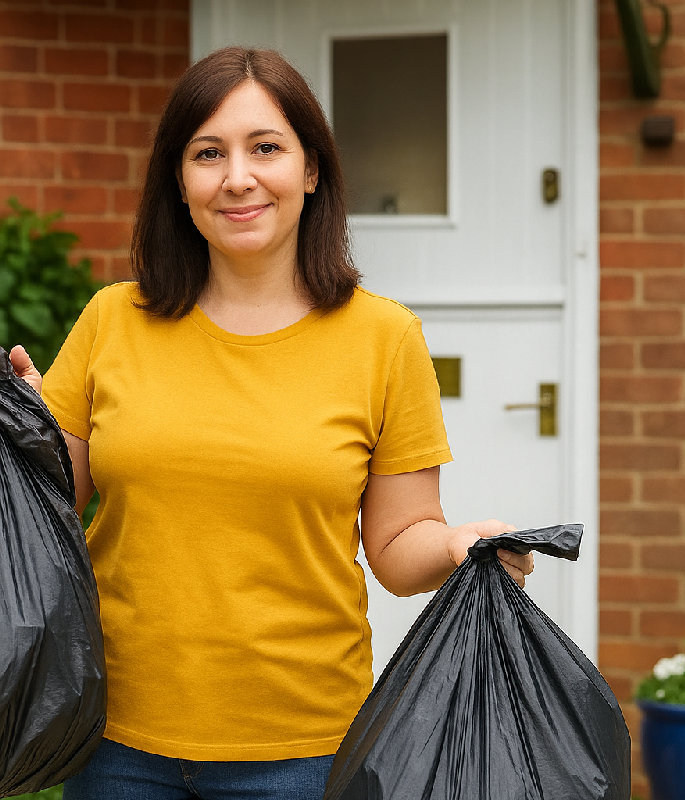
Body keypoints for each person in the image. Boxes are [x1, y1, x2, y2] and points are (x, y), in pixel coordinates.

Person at [9, 46, 533, 800]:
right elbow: (43, 513)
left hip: (304, 752)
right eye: (208, 154)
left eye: (266, 148)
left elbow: (393, 544)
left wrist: (458, 545)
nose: (237, 178)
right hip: (116, 739)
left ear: (311, 169)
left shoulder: (383, 338)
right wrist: (15, 432)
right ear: (179, 181)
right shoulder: (111, 321)